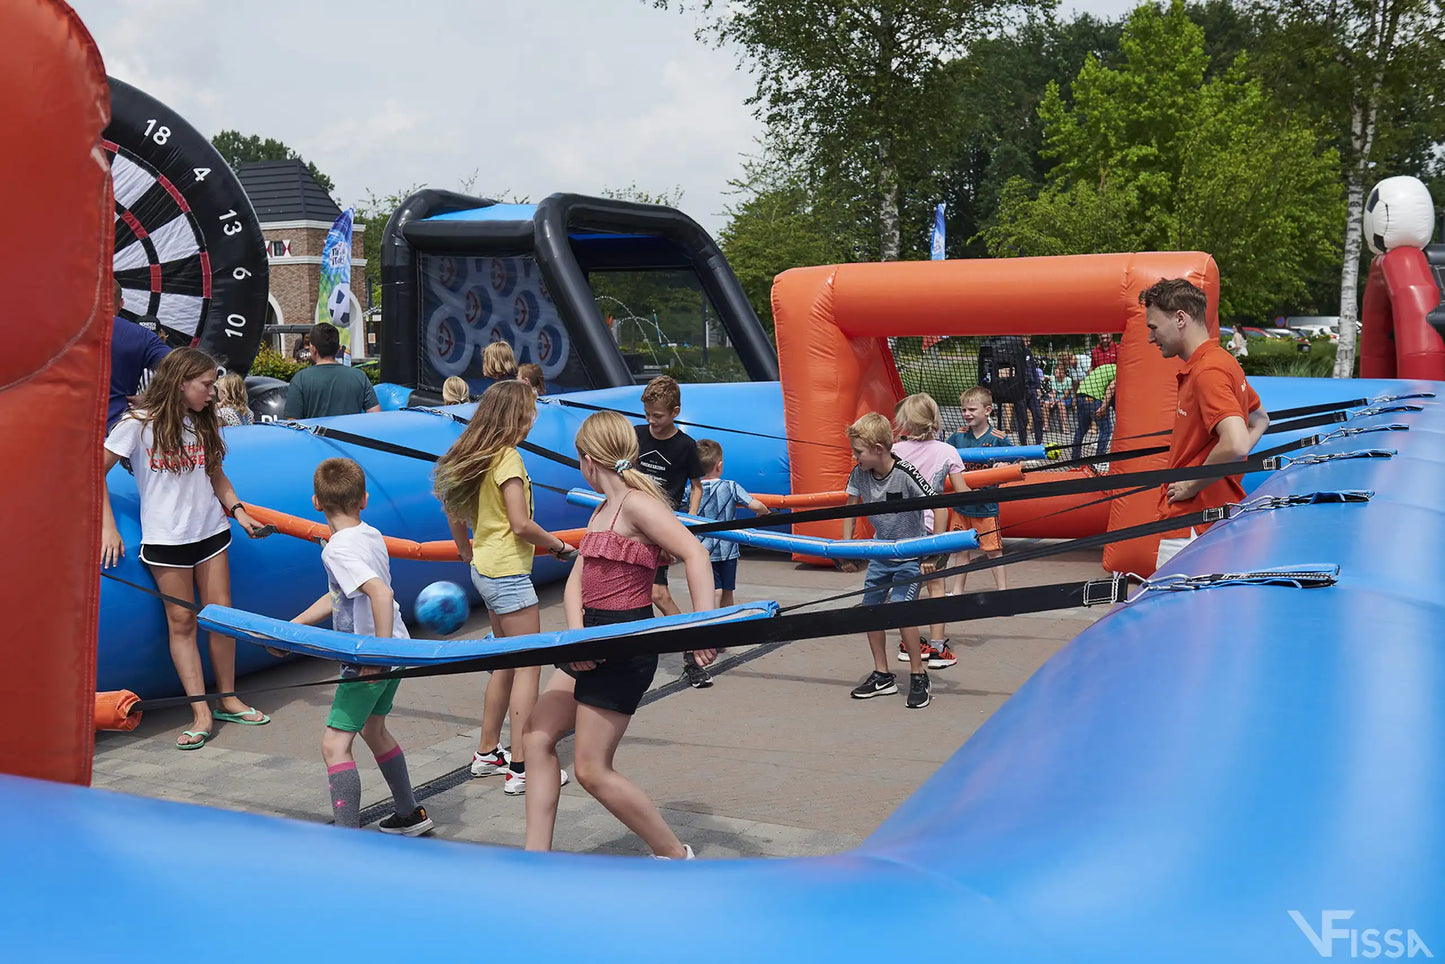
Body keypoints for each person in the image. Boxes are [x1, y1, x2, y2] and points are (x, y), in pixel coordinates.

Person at [520, 410, 715, 857]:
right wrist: (575, 635)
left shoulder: (638, 505)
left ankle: (673, 854)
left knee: (590, 769)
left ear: (588, 460)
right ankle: (535, 860)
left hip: (625, 643)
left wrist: (704, 626)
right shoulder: (604, 508)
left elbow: (696, 554)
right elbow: (577, 580)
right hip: (590, 637)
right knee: (535, 736)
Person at [100, 348, 271, 749]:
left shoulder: (202, 421)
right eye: (206, 385)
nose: (212, 393)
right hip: (167, 539)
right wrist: (109, 527)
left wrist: (239, 512)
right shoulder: (137, 425)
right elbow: (92, 469)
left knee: (222, 618)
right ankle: (201, 711)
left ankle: (227, 698)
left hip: (210, 532)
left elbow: (216, 475)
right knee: (182, 624)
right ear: (181, 383)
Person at [435, 380, 578, 795]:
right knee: (528, 667)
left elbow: (453, 509)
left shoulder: (475, 455)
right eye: (531, 411)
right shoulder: (509, 459)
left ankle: (486, 753)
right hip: (509, 576)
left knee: (504, 662)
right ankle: (522, 764)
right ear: (517, 417)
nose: (535, 418)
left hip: (485, 568)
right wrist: (558, 546)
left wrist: (466, 549)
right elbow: (521, 524)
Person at [286, 458, 433, 835]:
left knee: (334, 744)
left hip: (372, 655)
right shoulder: (370, 535)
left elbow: (380, 594)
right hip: (395, 649)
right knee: (374, 729)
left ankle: (348, 838)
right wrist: (295, 627)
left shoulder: (336, 549)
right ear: (364, 499)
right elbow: (342, 594)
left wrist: (376, 655)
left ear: (316, 502)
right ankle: (409, 814)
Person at [1141, 278, 1269, 568]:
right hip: (1210, 518)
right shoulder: (1223, 361)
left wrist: (1192, 485)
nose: (1151, 338)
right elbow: (1260, 420)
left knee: (1170, 612)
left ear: (1180, 318)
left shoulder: (1207, 370)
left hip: (1192, 523)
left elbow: (1236, 442)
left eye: (1153, 327)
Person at [841, 412, 934, 709]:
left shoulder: (905, 473)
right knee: (871, 611)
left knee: (903, 611)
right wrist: (845, 547)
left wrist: (935, 549)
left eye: (858, 451)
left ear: (879, 449)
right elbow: (850, 509)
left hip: (909, 554)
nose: (855, 457)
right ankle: (882, 674)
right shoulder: (859, 474)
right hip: (880, 553)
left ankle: (919, 675)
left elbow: (940, 506)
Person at [632, 376, 709, 688]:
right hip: (631, 525)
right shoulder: (635, 435)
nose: (652, 421)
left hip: (661, 527)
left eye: (658, 416)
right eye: (648, 414)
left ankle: (692, 649)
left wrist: (685, 524)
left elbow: (696, 487)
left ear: (675, 411)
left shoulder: (685, 446)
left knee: (658, 593)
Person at [890, 394, 968, 669]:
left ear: (905, 422)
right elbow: (961, 492)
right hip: (933, 527)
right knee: (936, 584)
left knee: (907, 585)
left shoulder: (895, 451)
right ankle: (937, 647)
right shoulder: (947, 451)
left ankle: (907, 643)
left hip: (900, 529)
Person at [941, 388, 1009, 619]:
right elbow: (943, 453)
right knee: (961, 550)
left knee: (993, 551)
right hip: (962, 505)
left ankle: (1003, 593)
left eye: (972, 409)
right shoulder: (958, 436)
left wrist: (1004, 466)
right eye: (963, 410)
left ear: (987, 410)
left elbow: (1016, 458)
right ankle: (957, 590)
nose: (966, 414)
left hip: (985, 506)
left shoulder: (997, 438)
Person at [694, 438, 770, 608]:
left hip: (704, 549)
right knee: (726, 591)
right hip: (728, 550)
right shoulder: (730, 486)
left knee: (713, 589)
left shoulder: (691, 490)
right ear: (719, 465)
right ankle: (727, 620)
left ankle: (711, 621)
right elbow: (755, 505)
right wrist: (764, 511)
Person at [107, 280, 171, 432]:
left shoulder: (56, 329)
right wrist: (153, 398)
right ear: (121, 303)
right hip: (116, 434)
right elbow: (186, 369)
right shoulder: (140, 336)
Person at [283, 322, 380, 419]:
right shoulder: (359, 377)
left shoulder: (300, 379)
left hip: (314, 434)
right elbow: (376, 416)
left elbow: (292, 422)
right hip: (350, 434)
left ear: (313, 349)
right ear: (338, 349)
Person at [1072, 362, 1116, 461]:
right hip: (1094, 398)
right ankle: (1099, 460)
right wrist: (1104, 407)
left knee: (1081, 429)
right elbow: (1111, 387)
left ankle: (1074, 459)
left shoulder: (1104, 367)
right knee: (1106, 429)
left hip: (1081, 395)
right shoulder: (1119, 371)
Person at [1041, 360, 1072, 435]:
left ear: (1062, 372)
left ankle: (1065, 427)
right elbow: (1054, 392)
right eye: (1055, 372)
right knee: (1046, 404)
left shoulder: (1068, 380)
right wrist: (1052, 400)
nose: (1055, 374)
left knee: (1061, 405)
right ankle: (1046, 426)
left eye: (1057, 372)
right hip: (1056, 399)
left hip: (1065, 399)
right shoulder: (1054, 379)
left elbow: (1066, 395)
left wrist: (1056, 401)